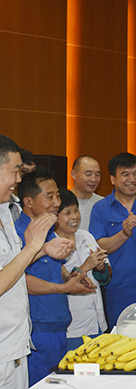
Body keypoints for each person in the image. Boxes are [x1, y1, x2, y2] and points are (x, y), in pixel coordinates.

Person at [0, 135, 70, 389]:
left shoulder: (5, 212)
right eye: (14, 172)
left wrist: (42, 250)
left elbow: (13, 265)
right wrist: (33, 247)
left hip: (16, 343)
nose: (19, 180)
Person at [16, 170, 91, 386]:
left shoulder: (49, 230)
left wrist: (72, 277)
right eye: (50, 197)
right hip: (38, 328)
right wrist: (64, 288)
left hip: (58, 322)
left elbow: (54, 267)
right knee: (40, 383)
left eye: (57, 195)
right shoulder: (19, 233)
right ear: (28, 201)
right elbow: (20, 280)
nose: (57, 202)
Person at [90, 153, 136, 326]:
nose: (132, 179)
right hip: (120, 289)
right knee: (122, 338)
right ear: (112, 179)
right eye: (125, 174)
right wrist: (124, 233)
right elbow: (99, 247)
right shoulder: (101, 208)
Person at [56, 189, 110, 351]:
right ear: (54, 216)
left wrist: (100, 267)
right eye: (67, 213)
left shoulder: (86, 237)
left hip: (97, 322)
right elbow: (61, 283)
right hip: (72, 328)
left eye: (76, 210)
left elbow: (106, 278)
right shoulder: (50, 244)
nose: (74, 217)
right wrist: (86, 266)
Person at [70, 155, 104, 232]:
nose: (93, 179)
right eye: (88, 174)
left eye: (97, 175)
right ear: (74, 174)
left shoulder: (103, 203)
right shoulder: (61, 201)